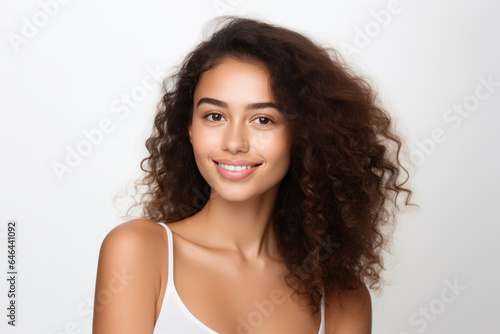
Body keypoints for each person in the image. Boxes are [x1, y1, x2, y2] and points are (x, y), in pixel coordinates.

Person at [92, 15, 414, 334]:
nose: (234, 143)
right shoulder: (138, 252)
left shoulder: (343, 298)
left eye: (263, 120)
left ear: (304, 134)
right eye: (214, 116)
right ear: (189, 127)